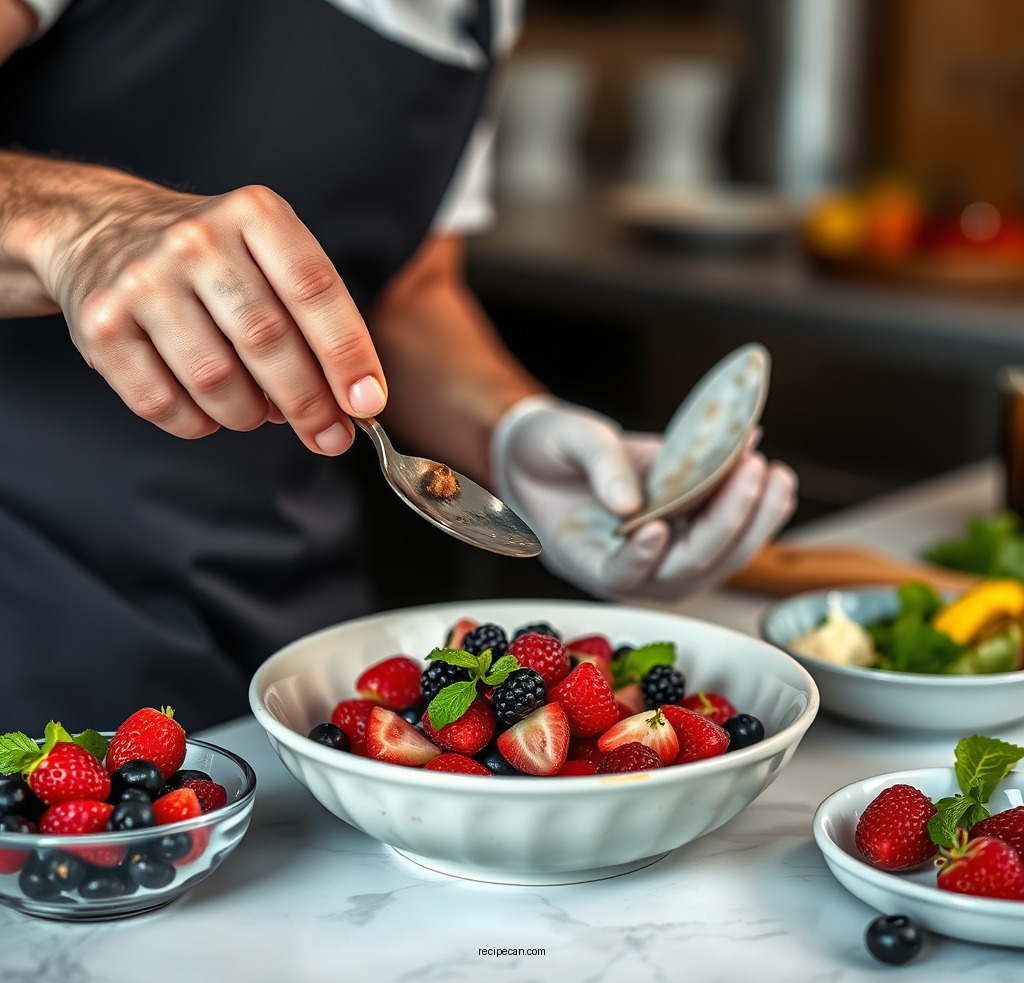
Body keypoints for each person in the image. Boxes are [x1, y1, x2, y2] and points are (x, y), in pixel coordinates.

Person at [0, 0, 796, 733]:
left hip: (290, 618)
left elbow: (406, 290)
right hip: (39, 609)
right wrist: (77, 225)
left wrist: (510, 432)